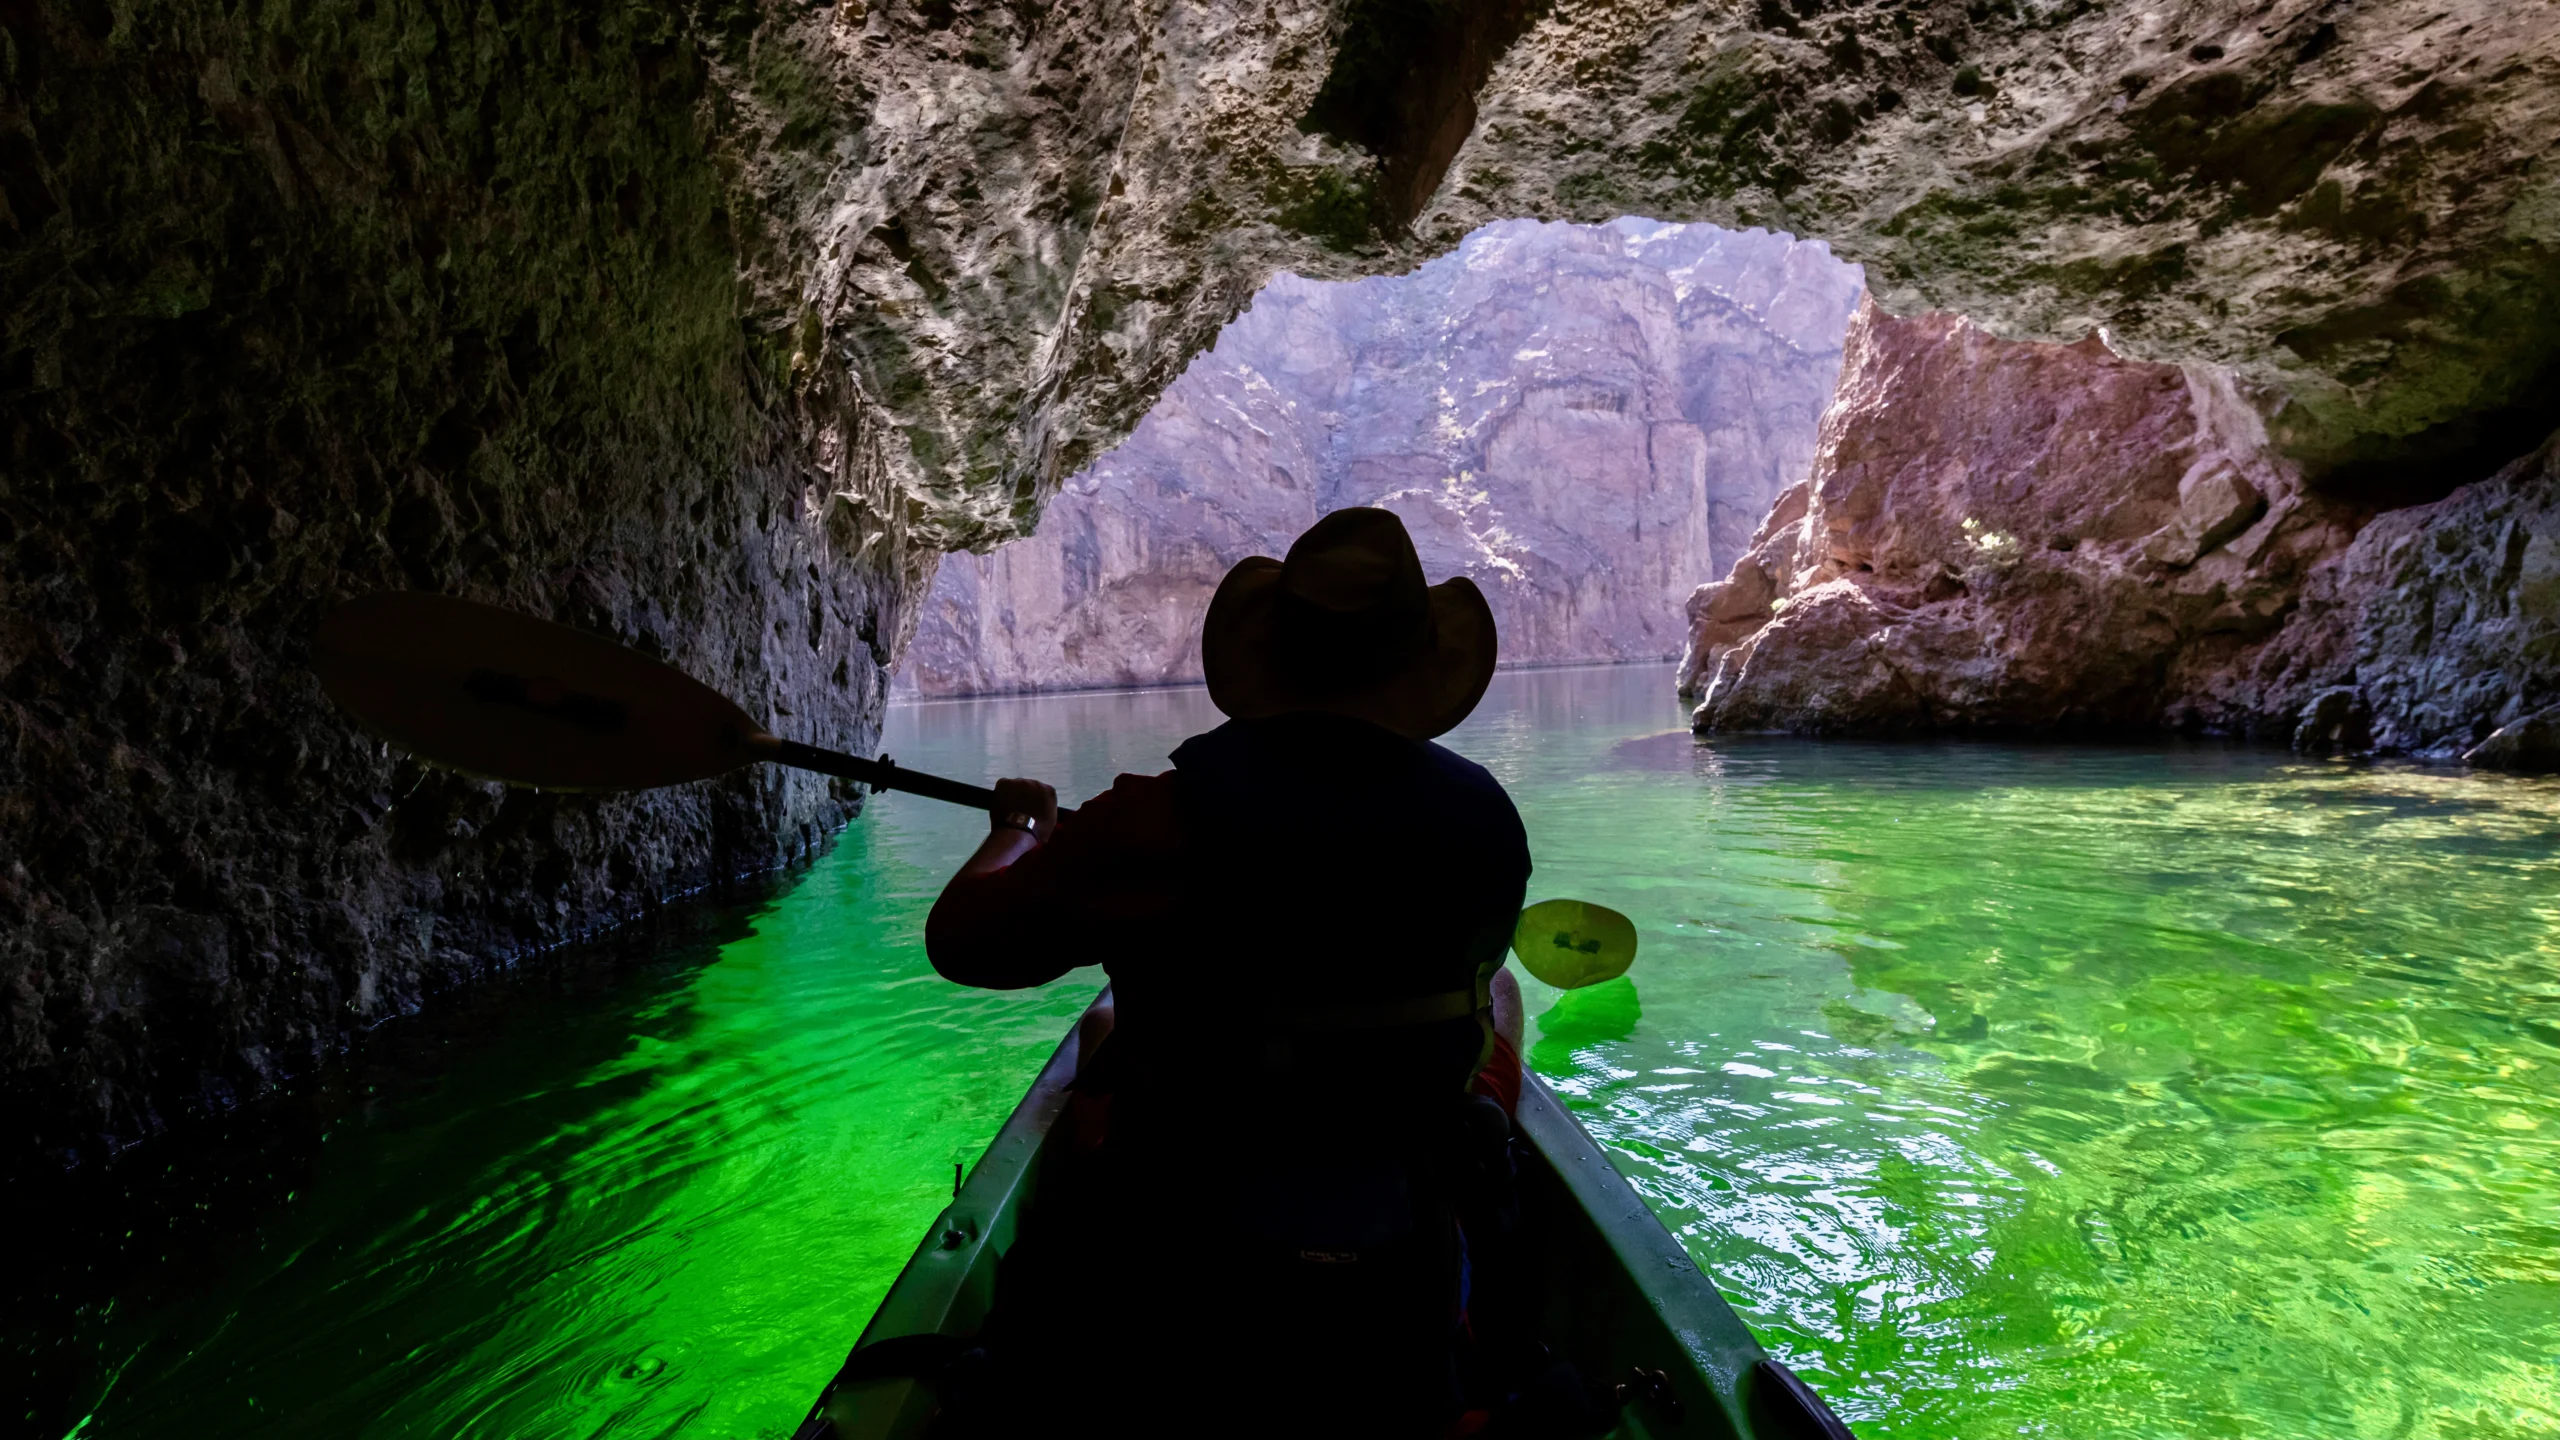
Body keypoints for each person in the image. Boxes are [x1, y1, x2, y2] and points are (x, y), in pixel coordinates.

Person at [924, 507, 1535, 1437]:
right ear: (1416, 665)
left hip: (1184, 1260)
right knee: (1498, 991)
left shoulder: (1153, 822)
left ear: (1273, 654)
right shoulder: (1489, 825)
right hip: (1399, 1258)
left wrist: (1019, 832)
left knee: (1104, 1025)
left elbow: (963, 942)